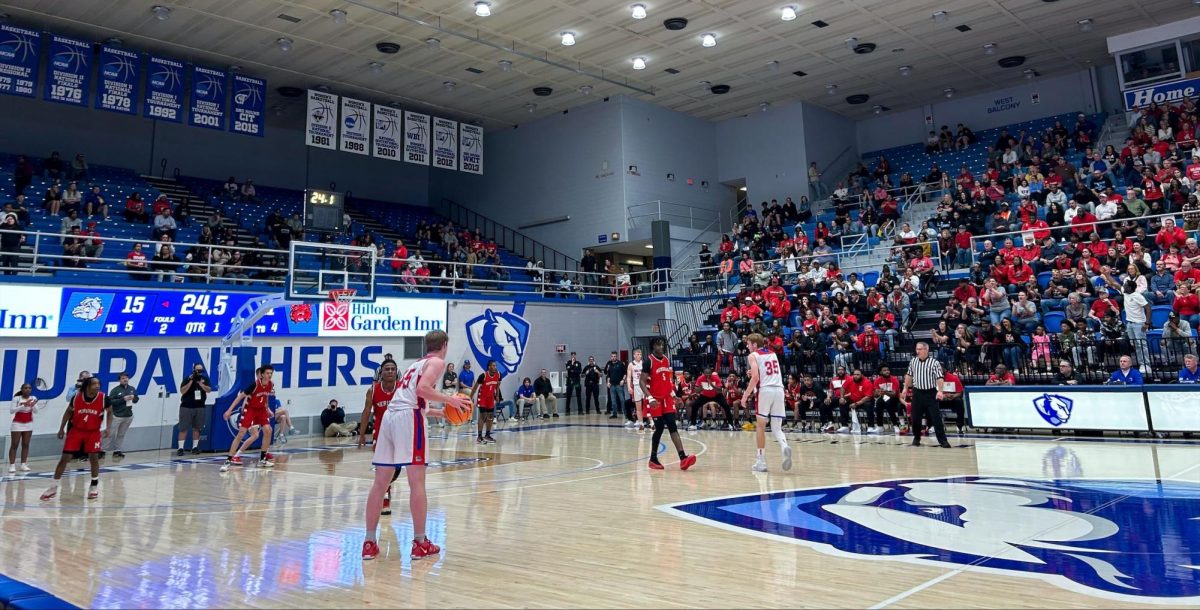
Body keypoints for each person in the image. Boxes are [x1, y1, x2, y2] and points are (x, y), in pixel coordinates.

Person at [362, 330, 467, 561]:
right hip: (408, 419)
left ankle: (369, 542)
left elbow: (413, 398)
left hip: (390, 417)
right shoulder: (438, 362)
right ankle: (420, 543)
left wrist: (440, 412)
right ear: (445, 345)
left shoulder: (415, 365)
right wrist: (452, 399)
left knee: (380, 482)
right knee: (417, 481)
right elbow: (422, 391)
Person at [41, 377, 105, 501]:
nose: (97, 386)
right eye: (94, 384)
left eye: (98, 383)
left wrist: (107, 427)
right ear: (87, 386)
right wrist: (61, 428)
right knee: (64, 458)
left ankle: (94, 485)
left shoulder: (103, 398)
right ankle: (53, 487)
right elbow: (68, 412)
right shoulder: (76, 397)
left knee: (94, 458)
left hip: (93, 432)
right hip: (76, 430)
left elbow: (110, 411)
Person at [638, 338, 697, 471]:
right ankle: (653, 459)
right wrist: (650, 397)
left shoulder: (666, 359)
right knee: (658, 428)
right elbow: (642, 382)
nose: (661, 347)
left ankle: (683, 458)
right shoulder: (649, 361)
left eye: (662, 344)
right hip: (655, 400)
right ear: (653, 346)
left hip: (667, 399)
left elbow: (667, 381)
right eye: (658, 345)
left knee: (673, 427)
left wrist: (674, 395)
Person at [360, 359, 401, 515]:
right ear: (381, 372)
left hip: (400, 434)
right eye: (387, 369)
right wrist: (362, 434)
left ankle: (387, 485)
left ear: (396, 372)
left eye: (392, 369)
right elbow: (366, 412)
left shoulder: (403, 389)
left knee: (395, 469)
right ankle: (385, 500)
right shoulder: (373, 390)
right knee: (383, 468)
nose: (390, 371)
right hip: (381, 436)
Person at [745, 333, 791, 472]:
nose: (747, 346)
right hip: (779, 389)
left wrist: (745, 395)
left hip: (765, 391)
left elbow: (755, 378)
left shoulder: (753, 355)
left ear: (754, 344)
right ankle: (784, 446)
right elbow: (767, 371)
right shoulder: (772, 353)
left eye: (748, 344)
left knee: (760, 426)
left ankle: (761, 462)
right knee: (777, 427)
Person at [220, 365, 275, 471]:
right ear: (262, 374)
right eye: (267, 373)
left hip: (262, 410)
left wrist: (267, 409)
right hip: (251, 410)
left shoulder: (271, 384)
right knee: (241, 434)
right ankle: (228, 460)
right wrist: (229, 410)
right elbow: (240, 397)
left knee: (268, 430)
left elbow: (266, 396)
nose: (269, 375)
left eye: (271, 373)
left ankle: (262, 459)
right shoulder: (254, 384)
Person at [903, 342, 951, 448]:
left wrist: (940, 391)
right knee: (915, 418)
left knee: (936, 418)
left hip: (930, 393)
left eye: (920, 349)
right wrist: (905, 388)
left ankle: (943, 440)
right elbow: (909, 375)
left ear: (926, 350)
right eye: (917, 349)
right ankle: (916, 438)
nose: (917, 351)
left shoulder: (934, 363)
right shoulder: (913, 361)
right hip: (917, 393)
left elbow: (939, 378)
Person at [687, 366, 735, 431]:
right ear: (703, 373)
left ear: (711, 373)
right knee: (695, 405)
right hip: (705, 395)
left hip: (716, 395)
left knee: (726, 406)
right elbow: (696, 390)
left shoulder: (716, 378)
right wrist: (701, 388)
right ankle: (693, 424)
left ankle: (731, 424)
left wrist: (712, 385)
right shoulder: (700, 378)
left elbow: (720, 390)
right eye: (706, 374)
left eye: (709, 373)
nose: (708, 375)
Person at [177, 364, 210, 455]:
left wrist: (200, 384)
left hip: (199, 406)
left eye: (200, 370)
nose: (198, 372)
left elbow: (209, 390)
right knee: (183, 428)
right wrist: (191, 381)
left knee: (197, 428)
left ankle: (195, 447)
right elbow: (182, 391)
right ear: (193, 370)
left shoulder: (204, 379)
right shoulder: (188, 378)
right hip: (186, 406)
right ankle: (180, 448)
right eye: (197, 370)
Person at [103, 372, 138, 458]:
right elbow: (111, 402)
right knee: (111, 433)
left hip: (128, 415)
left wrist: (134, 398)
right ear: (119, 380)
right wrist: (123, 399)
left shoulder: (132, 389)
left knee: (121, 434)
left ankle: (117, 450)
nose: (125, 379)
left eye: (126, 377)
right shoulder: (115, 390)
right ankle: (103, 450)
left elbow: (136, 400)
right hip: (117, 415)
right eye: (123, 378)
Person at [9, 382, 38, 473]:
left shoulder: (33, 398)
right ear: (22, 389)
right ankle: (12, 465)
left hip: (28, 424)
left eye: (29, 388)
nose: (28, 389)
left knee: (25, 444)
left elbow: (36, 411)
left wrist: (33, 405)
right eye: (25, 388)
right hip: (17, 424)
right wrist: (23, 405)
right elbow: (12, 411)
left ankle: (23, 464)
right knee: (14, 444)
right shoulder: (16, 398)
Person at [471, 360, 501, 445]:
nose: (495, 367)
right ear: (489, 367)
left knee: (490, 416)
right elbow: (475, 387)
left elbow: (497, 386)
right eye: (493, 366)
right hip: (482, 397)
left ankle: (487, 435)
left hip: (491, 398)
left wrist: (497, 396)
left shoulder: (498, 375)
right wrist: (470, 398)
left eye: (495, 366)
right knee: (483, 416)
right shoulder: (483, 376)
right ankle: (479, 437)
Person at [626, 348, 650, 431]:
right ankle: (641, 423)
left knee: (648, 405)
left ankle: (652, 422)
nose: (639, 356)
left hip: (644, 385)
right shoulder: (631, 364)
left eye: (640, 354)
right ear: (634, 355)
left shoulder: (644, 363)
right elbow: (629, 377)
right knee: (638, 407)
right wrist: (629, 387)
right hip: (636, 386)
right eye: (638, 354)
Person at [603, 351, 627, 420]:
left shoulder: (620, 364)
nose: (613, 358)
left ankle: (626, 414)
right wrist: (608, 382)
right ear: (611, 357)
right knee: (613, 401)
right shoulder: (609, 364)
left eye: (614, 356)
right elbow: (608, 375)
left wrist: (623, 380)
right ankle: (614, 414)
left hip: (619, 385)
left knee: (622, 400)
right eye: (612, 356)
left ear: (616, 357)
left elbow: (625, 373)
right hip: (612, 386)